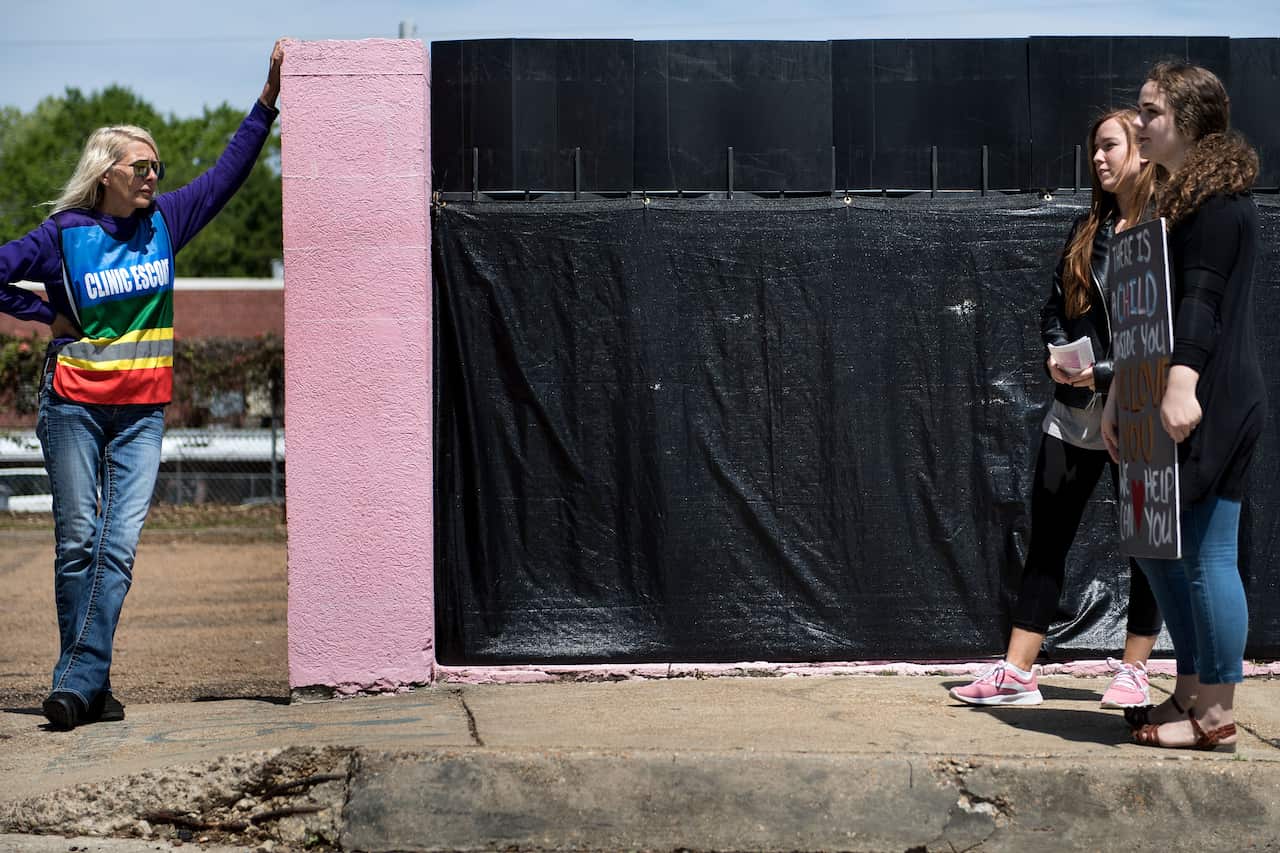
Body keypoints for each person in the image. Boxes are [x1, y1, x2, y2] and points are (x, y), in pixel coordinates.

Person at [0, 40, 285, 730]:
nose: (155, 173)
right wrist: (49, 314)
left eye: (157, 164)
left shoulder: (165, 223)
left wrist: (267, 100)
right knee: (77, 541)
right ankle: (85, 684)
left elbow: (226, 174)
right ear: (107, 174)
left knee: (116, 544)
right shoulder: (64, 234)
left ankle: (78, 680)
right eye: (143, 164)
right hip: (72, 406)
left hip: (141, 415)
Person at [951, 109, 1163, 708]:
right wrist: (1055, 352)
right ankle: (1018, 674)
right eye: (1094, 148)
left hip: (1140, 411)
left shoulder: (1166, 232)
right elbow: (1055, 305)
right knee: (1046, 541)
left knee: (1146, 541)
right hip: (1073, 412)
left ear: (1142, 153)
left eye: (1110, 146)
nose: (1098, 159)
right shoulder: (1085, 228)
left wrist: (1104, 371)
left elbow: (1165, 340)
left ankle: (1135, 671)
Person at [1103, 63, 1263, 752]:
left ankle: (1218, 712)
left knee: (1203, 551)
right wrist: (1119, 391)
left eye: (1150, 112)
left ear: (1189, 121)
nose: (1138, 124)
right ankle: (1192, 689)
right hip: (1168, 390)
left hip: (1210, 395)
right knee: (1158, 548)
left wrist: (1180, 383)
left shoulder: (1221, 203)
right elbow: (1149, 313)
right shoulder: (1178, 201)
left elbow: (1200, 302)